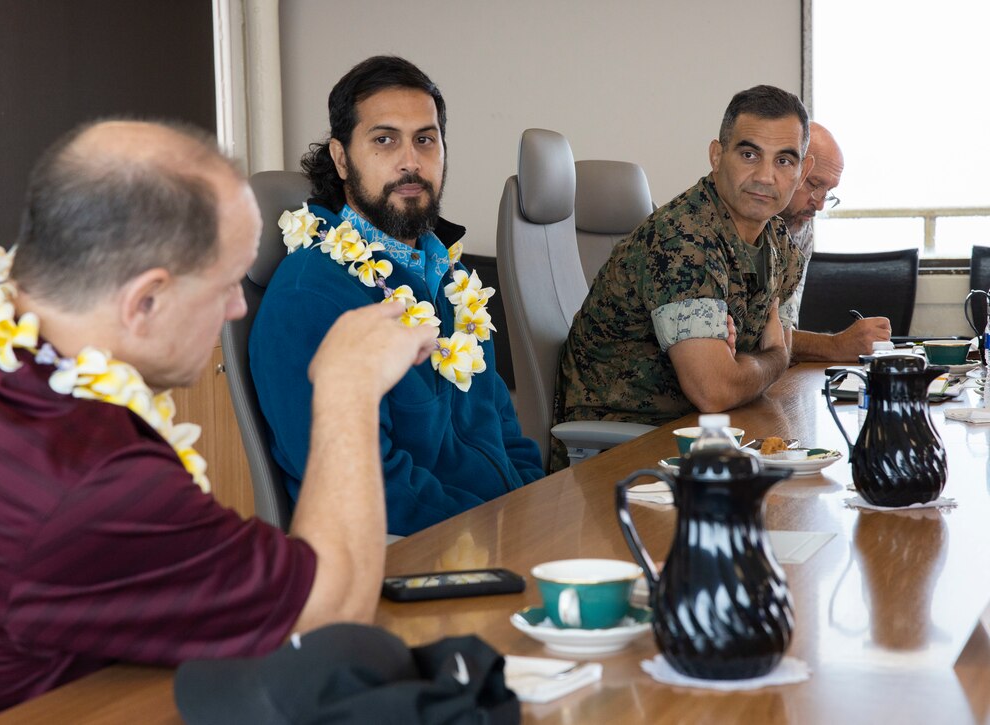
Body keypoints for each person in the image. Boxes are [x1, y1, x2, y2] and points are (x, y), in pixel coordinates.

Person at [0, 119, 440, 723]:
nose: (240, 307)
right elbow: (327, 611)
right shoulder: (95, 480)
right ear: (145, 302)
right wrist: (349, 386)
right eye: (228, 283)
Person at [250, 56, 543, 536]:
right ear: (342, 158)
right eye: (384, 140)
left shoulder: (454, 278)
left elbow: (505, 433)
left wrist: (537, 507)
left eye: (425, 140)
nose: (411, 161)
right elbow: (370, 493)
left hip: (499, 532)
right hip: (410, 553)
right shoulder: (310, 295)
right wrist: (496, 533)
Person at [553, 85, 812, 470]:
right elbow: (716, 388)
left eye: (784, 161)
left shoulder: (777, 240)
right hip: (625, 453)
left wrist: (749, 360)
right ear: (716, 155)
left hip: (703, 435)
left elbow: (769, 345)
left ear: (801, 171)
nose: (766, 177)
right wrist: (774, 357)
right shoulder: (683, 237)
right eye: (748, 154)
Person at [781, 121, 891, 360]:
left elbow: (783, 331)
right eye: (814, 184)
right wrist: (835, 345)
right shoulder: (738, 226)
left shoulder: (801, 230)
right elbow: (750, 340)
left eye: (828, 191)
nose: (820, 203)